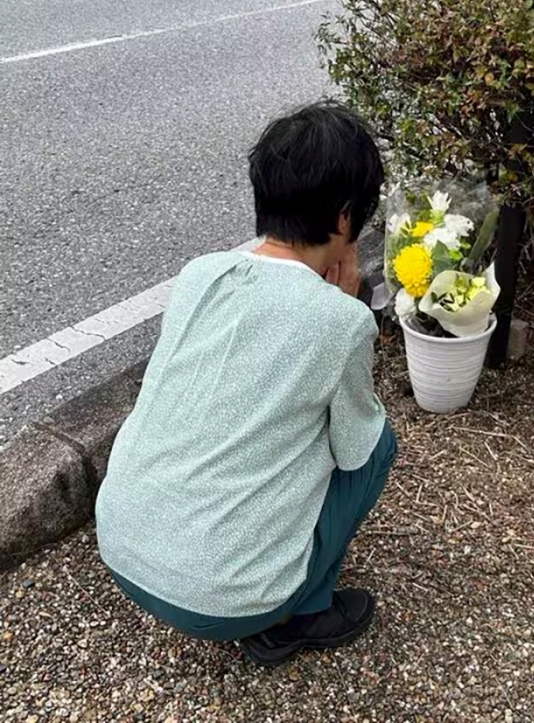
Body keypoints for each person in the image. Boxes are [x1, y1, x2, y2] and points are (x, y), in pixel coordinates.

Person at [95, 100, 397, 666]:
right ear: (344, 218)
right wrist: (348, 303)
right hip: (227, 603)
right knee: (379, 444)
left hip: (120, 546)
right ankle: (301, 615)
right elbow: (356, 446)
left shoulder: (199, 273)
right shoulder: (340, 318)